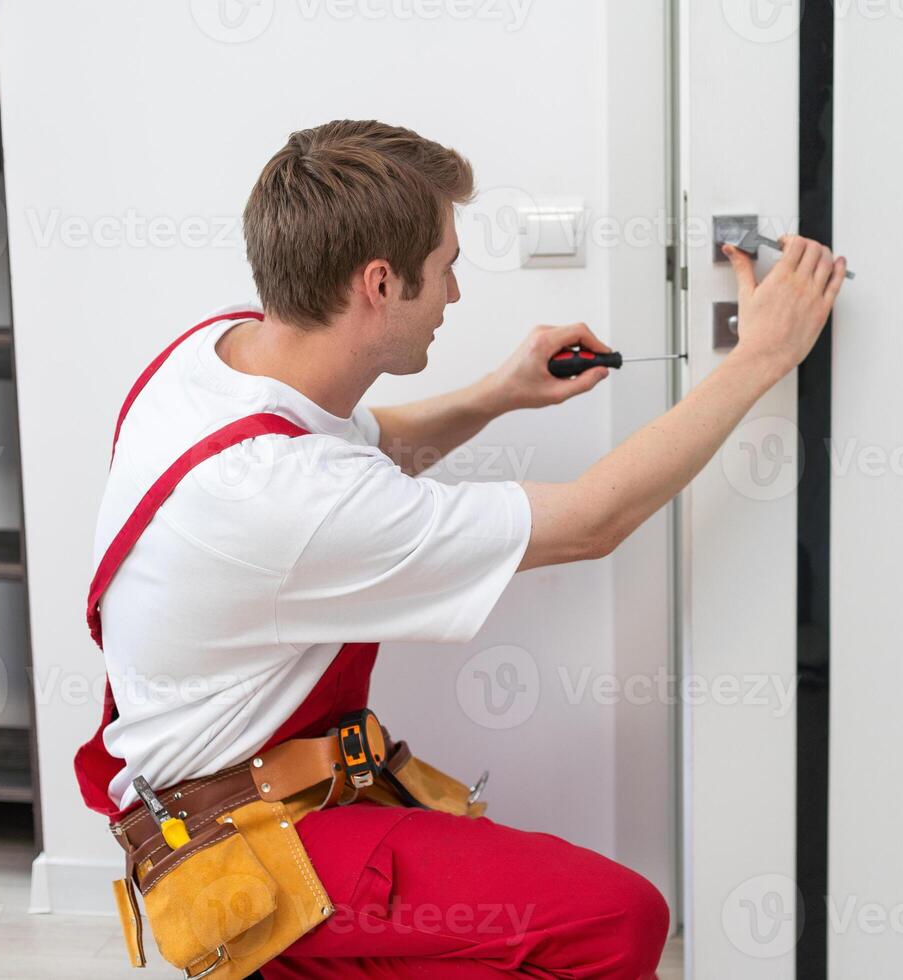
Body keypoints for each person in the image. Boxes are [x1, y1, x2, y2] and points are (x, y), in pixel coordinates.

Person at [79, 119, 845, 979]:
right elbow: (592, 520)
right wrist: (761, 356)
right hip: (250, 845)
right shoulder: (282, 499)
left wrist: (497, 395)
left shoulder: (210, 358)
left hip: (230, 799)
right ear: (379, 283)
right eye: (446, 266)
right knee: (620, 921)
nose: (453, 293)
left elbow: (356, 446)